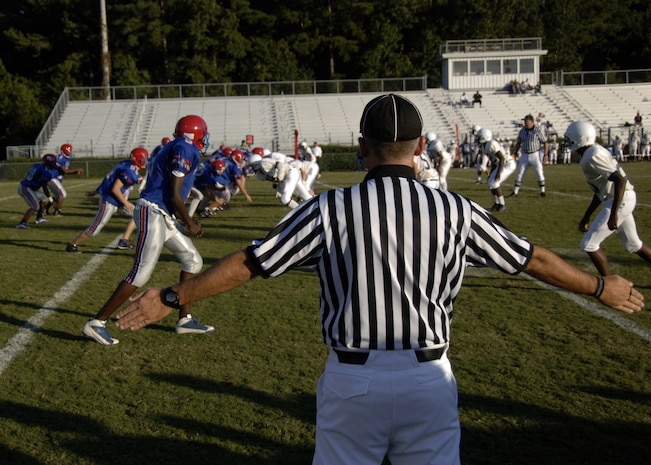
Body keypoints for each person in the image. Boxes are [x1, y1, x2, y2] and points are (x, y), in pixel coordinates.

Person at [115, 94, 643, 465]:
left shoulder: (330, 208)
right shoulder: (455, 209)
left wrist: (171, 295)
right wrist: (600, 287)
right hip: (429, 379)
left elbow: (250, 263)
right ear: (419, 150)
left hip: (352, 381)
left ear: (362, 147)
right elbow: (533, 259)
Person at [81, 115, 214, 346]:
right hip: (153, 211)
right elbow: (174, 194)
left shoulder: (176, 145)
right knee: (141, 272)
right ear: (196, 134)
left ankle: (185, 319)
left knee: (192, 260)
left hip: (162, 214)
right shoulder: (185, 147)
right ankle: (97, 322)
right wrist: (190, 222)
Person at [565, 121, 651, 277]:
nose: (567, 142)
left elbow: (620, 180)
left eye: (569, 138)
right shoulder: (593, 152)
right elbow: (601, 190)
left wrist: (614, 213)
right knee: (633, 244)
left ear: (580, 138)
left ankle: (610, 285)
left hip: (620, 199)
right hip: (619, 198)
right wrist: (587, 215)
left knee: (589, 244)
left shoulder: (592, 155)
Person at [65, 148, 148, 253]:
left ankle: (124, 241)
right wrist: (126, 203)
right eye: (143, 159)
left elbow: (110, 179)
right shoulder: (129, 171)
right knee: (95, 228)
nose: (145, 161)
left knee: (139, 214)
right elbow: (115, 189)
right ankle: (72, 245)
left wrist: (95, 191)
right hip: (110, 201)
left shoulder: (126, 164)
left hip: (118, 201)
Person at [476, 128, 517, 212]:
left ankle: (502, 204)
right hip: (500, 164)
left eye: (479, 137)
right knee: (490, 182)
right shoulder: (484, 146)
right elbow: (494, 161)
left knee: (495, 182)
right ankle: (496, 203)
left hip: (507, 164)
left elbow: (501, 158)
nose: (477, 138)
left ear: (485, 137)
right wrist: (491, 173)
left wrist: (498, 173)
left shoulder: (491, 144)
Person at [16, 154, 58, 229]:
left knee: (44, 198)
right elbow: (44, 186)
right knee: (35, 206)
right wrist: (51, 200)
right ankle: (22, 223)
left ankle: (39, 218)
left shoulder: (37, 165)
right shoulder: (45, 172)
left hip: (30, 188)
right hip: (26, 188)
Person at [509, 114, 547, 197]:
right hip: (525, 154)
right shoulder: (522, 131)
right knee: (520, 173)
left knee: (539, 173)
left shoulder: (537, 130)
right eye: (525, 122)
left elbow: (545, 142)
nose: (525, 123)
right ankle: (515, 192)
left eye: (527, 122)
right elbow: (519, 142)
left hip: (535, 154)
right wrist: (515, 153)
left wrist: (545, 154)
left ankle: (542, 191)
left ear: (532, 122)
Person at [45, 143, 85, 216]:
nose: (70, 152)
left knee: (57, 196)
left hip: (53, 178)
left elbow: (64, 171)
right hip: (52, 178)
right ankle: (57, 211)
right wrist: (77, 169)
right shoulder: (60, 158)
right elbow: (65, 171)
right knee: (62, 194)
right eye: (69, 150)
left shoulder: (64, 158)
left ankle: (44, 209)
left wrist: (75, 172)